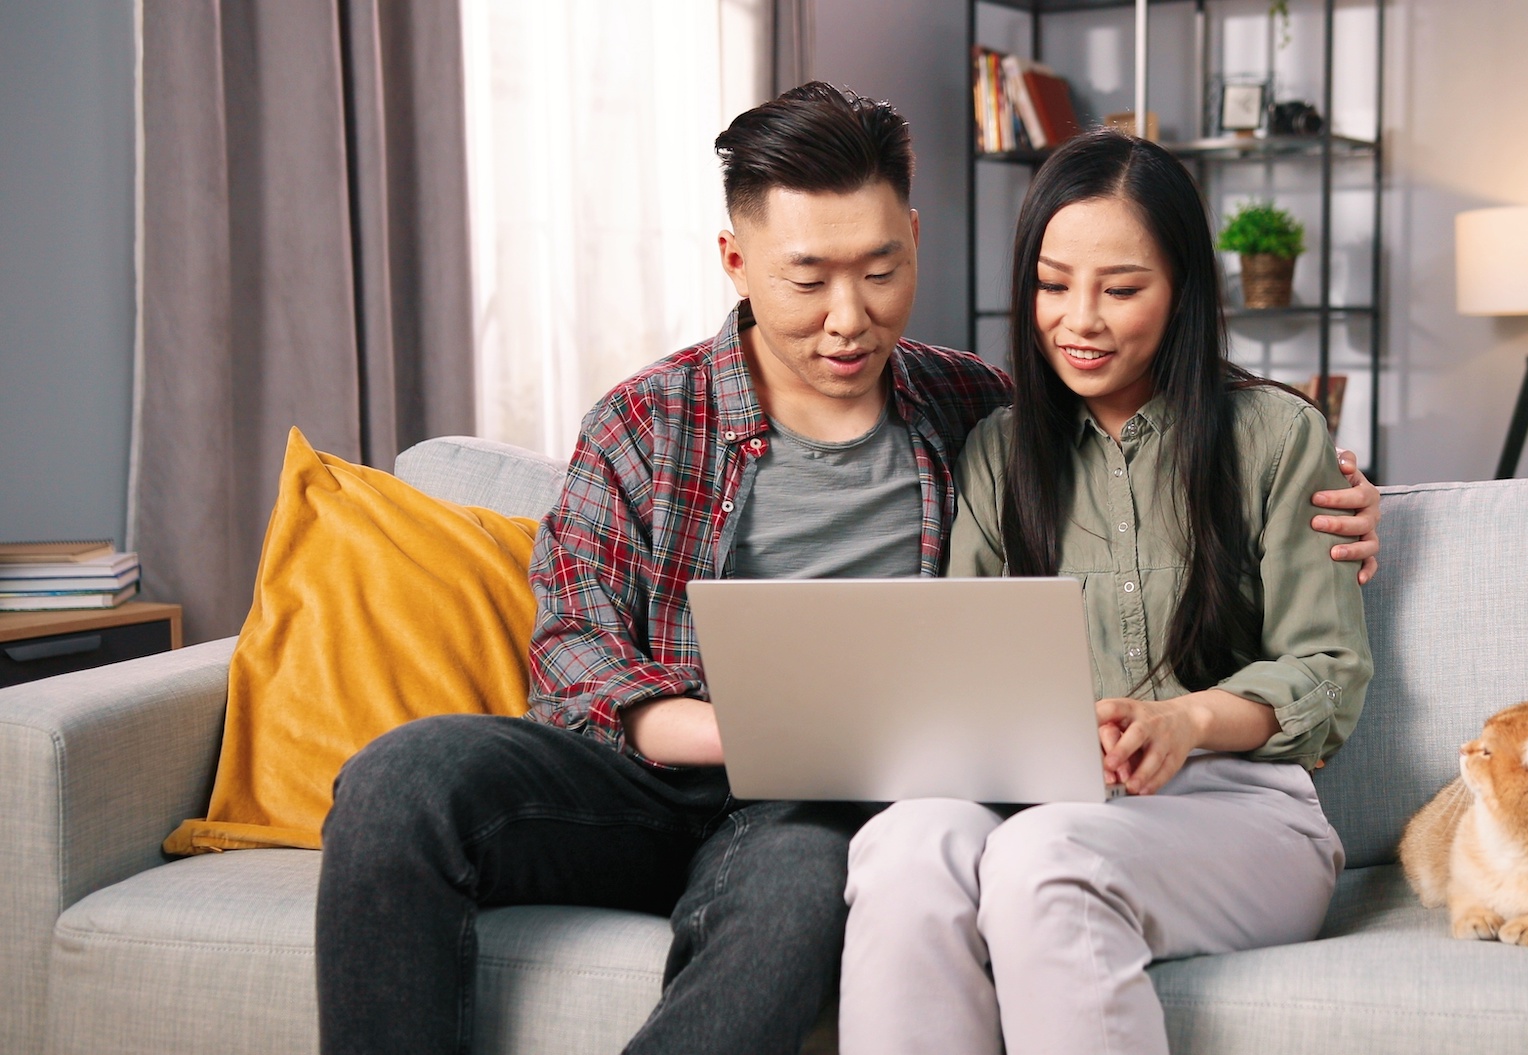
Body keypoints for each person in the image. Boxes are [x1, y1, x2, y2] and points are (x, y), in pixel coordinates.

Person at [315, 85, 1382, 1055]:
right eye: (808, 278)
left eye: (879, 272)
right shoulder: (647, 422)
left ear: (914, 240)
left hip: (811, 809)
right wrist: (740, 728)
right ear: (734, 260)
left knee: (813, 886)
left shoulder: (969, 412)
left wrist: (1354, 493)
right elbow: (569, 651)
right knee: (398, 779)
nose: (847, 316)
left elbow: (1146, 422)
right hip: (651, 777)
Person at [839, 128, 1373, 1055]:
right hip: (1044, 800)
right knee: (901, 847)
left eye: (1120, 289)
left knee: (1045, 862)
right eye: (1053, 285)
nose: (1078, 319)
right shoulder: (1000, 451)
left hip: (1244, 810)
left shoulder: (1277, 436)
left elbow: (1327, 672)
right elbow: (964, 679)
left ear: (1183, 292)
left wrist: (1189, 721)